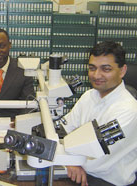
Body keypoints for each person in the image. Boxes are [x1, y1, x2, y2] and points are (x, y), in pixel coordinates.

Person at [63, 41, 137, 186]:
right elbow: (64, 130)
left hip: (106, 181)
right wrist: (69, 160)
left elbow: (96, 158)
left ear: (122, 71)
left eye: (106, 69)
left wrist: (68, 159)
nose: (97, 75)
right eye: (92, 68)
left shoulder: (129, 110)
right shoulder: (89, 96)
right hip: (79, 172)